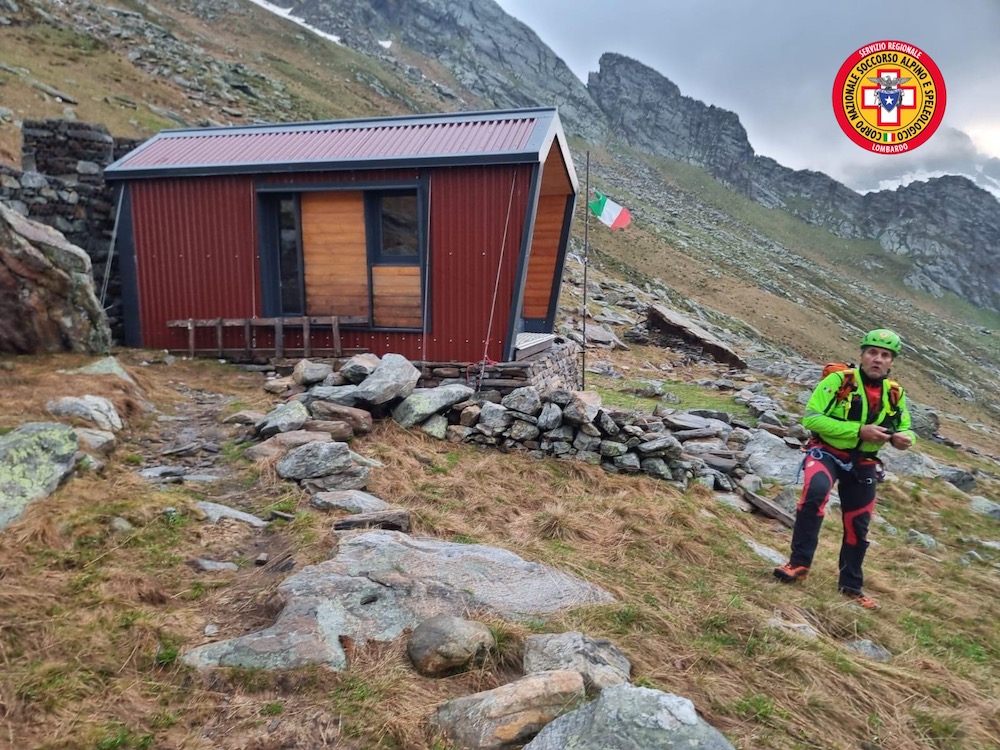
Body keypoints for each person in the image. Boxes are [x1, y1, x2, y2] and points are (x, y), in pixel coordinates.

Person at [773, 329, 916, 610]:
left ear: (891, 362)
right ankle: (799, 564)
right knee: (815, 493)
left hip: (864, 462)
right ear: (862, 355)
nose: (878, 359)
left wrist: (905, 439)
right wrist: (859, 431)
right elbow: (812, 418)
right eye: (872, 352)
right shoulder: (839, 380)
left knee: (859, 524)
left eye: (885, 355)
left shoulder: (895, 393)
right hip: (826, 452)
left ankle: (850, 586)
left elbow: (907, 428)